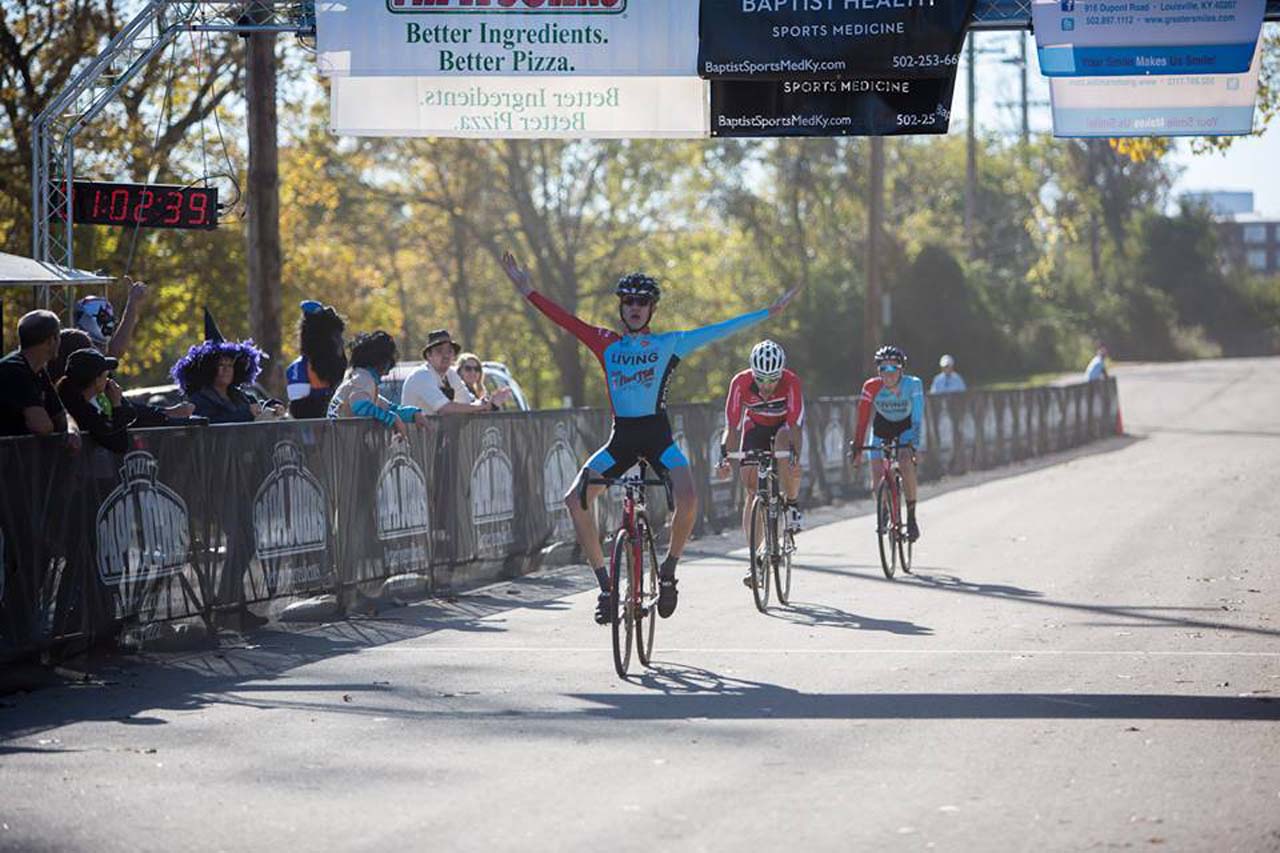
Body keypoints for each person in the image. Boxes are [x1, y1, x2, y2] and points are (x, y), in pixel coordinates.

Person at [501, 250, 800, 624]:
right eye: (629, 301)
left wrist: (768, 314)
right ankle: (607, 588)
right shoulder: (605, 342)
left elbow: (718, 329)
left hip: (658, 439)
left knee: (689, 497)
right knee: (574, 500)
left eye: (643, 301)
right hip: (621, 440)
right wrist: (528, 291)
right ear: (621, 307)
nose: (635, 307)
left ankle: (670, 570)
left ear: (652, 308)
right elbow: (566, 321)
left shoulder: (668, 344)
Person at [716, 340, 805, 586]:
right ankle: (754, 559)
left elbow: (796, 425)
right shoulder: (740, 383)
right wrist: (725, 457)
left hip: (784, 428)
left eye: (773, 379)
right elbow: (731, 427)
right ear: (752, 374)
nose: (767, 386)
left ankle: (792, 504)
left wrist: (796, 458)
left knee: (783, 450)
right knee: (752, 490)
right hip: (754, 428)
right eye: (761, 379)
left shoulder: (791, 382)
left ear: (781, 374)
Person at [850, 345, 925, 542]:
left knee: (905, 461)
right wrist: (857, 447)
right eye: (884, 369)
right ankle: (883, 508)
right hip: (882, 426)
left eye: (893, 368)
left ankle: (911, 516)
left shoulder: (913, 384)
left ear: (902, 369)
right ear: (878, 371)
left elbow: (917, 417)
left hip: (906, 426)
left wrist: (915, 445)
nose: (888, 374)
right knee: (875, 468)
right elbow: (863, 419)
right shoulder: (871, 386)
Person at [53, 328, 195, 426]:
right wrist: (116, 407)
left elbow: (132, 411)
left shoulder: (102, 394)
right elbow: (116, 439)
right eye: (91, 353)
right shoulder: (64, 402)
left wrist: (166, 412)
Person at [171, 309, 284, 425]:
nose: (227, 369)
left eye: (230, 365)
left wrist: (272, 406)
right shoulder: (199, 400)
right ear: (208, 369)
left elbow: (258, 406)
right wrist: (246, 413)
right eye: (221, 365)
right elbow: (211, 421)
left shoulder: (242, 396)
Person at [327, 331, 427, 437]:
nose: (389, 368)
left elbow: (387, 408)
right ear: (381, 361)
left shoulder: (359, 378)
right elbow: (360, 407)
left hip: (340, 444)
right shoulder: (363, 379)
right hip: (341, 446)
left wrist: (413, 413)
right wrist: (392, 419)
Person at [0, 310, 78, 446]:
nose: (60, 342)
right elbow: (41, 426)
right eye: (58, 336)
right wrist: (59, 428)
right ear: (50, 341)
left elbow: (62, 414)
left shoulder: (39, 371)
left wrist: (71, 430)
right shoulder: (13, 369)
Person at [401, 330, 511, 415]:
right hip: (416, 442)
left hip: (436, 441)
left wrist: (491, 404)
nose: (446, 355)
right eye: (439, 351)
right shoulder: (422, 375)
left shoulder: (450, 374)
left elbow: (468, 403)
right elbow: (446, 408)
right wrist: (482, 406)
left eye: (449, 351)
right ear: (429, 356)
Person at [55, 349, 137, 453]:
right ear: (97, 380)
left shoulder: (80, 404)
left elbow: (131, 415)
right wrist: (116, 404)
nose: (108, 380)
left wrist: (119, 401)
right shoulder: (80, 410)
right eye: (106, 375)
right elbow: (119, 444)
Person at [286, 300, 347, 420]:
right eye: (334, 337)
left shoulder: (340, 367)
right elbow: (300, 412)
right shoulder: (298, 369)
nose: (341, 342)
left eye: (339, 336)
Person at [73, 277, 149, 359]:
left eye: (110, 317)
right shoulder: (81, 352)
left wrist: (132, 302)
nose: (111, 322)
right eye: (104, 317)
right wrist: (132, 302)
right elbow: (116, 351)